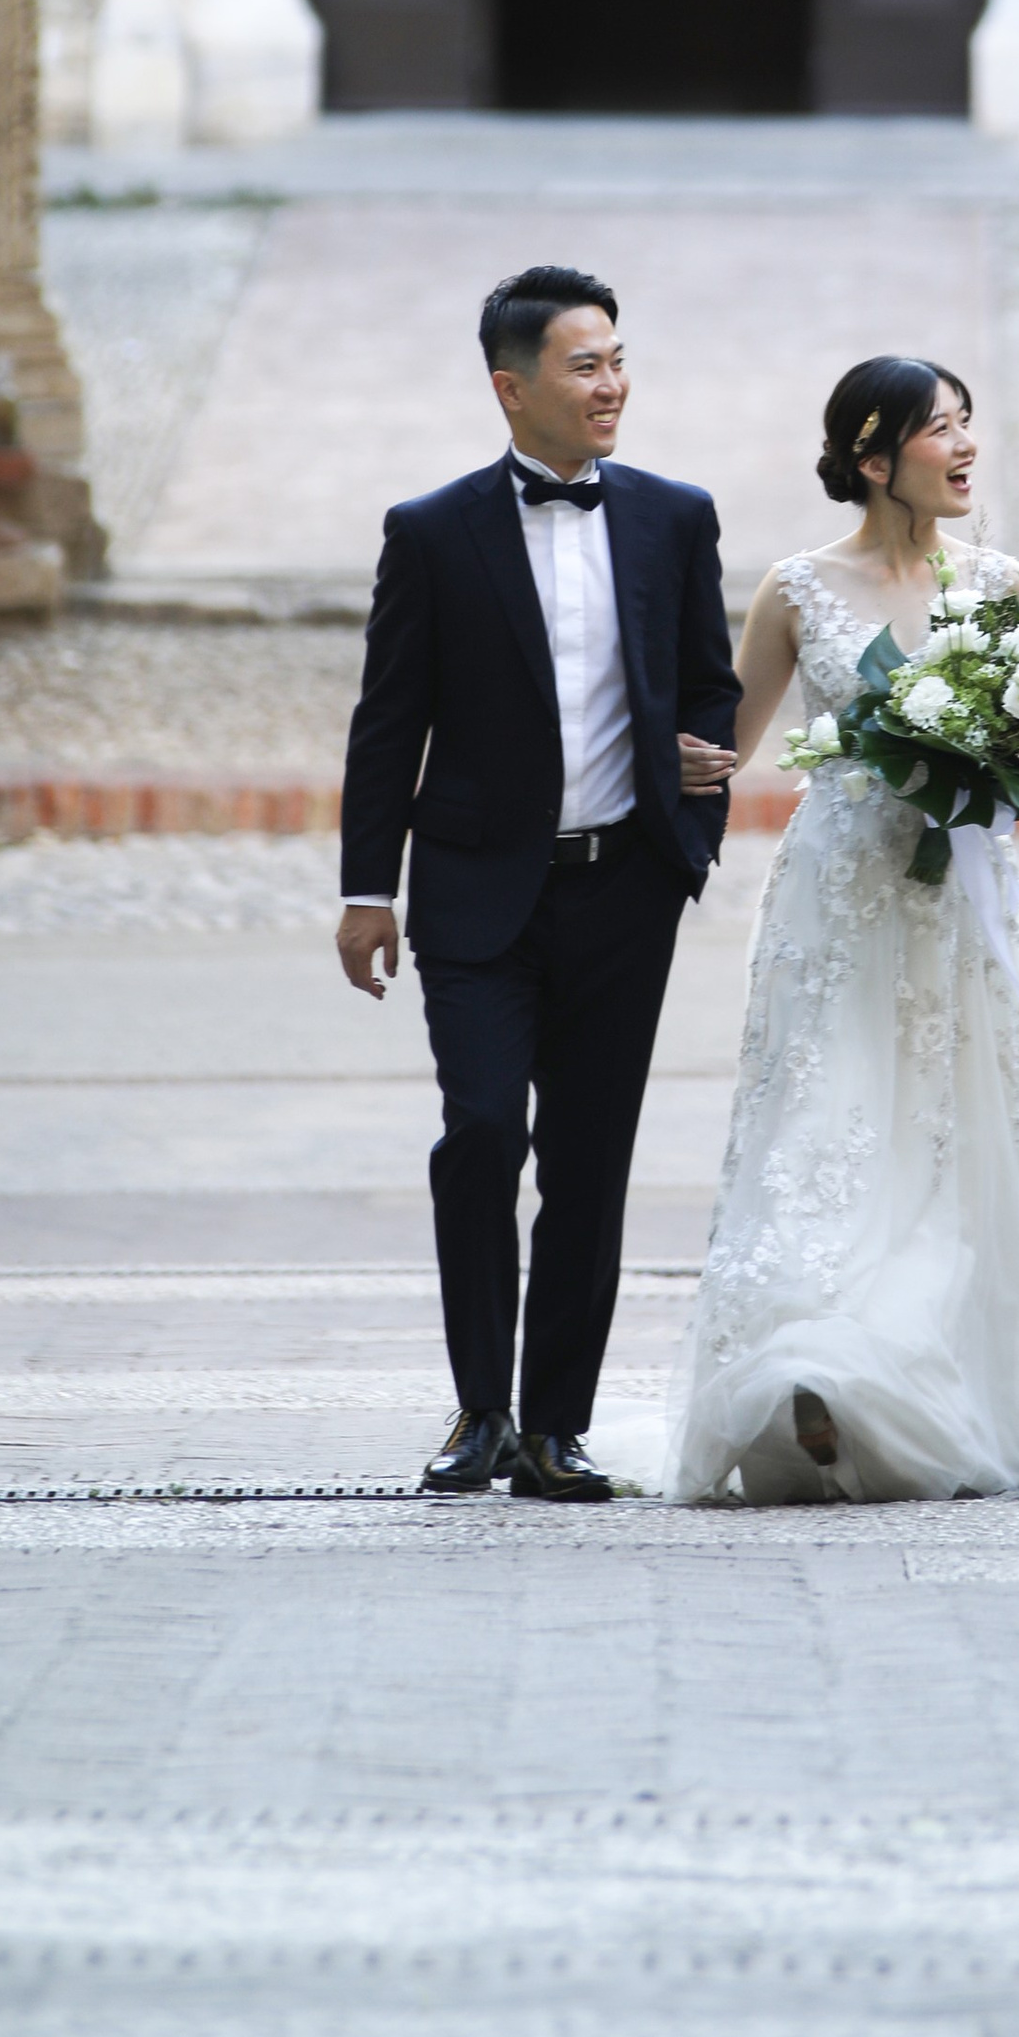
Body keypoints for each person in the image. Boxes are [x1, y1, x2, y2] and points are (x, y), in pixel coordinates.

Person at [664, 355, 1019, 1504]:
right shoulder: (796, 590)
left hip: (960, 898)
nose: (962, 447)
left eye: (965, 423)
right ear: (869, 457)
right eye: (937, 429)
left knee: (959, 1131)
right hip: (840, 895)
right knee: (830, 1116)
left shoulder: (1003, 587)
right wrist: (663, 751)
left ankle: (941, 1384)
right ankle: (805, 1365)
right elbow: (726, 746)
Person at [337, 266, 739, 1501]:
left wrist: (692, 801)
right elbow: (386, 720)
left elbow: (710, 683)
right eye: (584, 364)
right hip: (471, 893)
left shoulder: (676, 518)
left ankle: (556, 1427)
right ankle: (479, 1410)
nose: (611, 384)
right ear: (512, 388)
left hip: (623, 891)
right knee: (479, 1133)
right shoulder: (432, 530)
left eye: (617, 359)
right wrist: (366, 890)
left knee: (587, 1157)